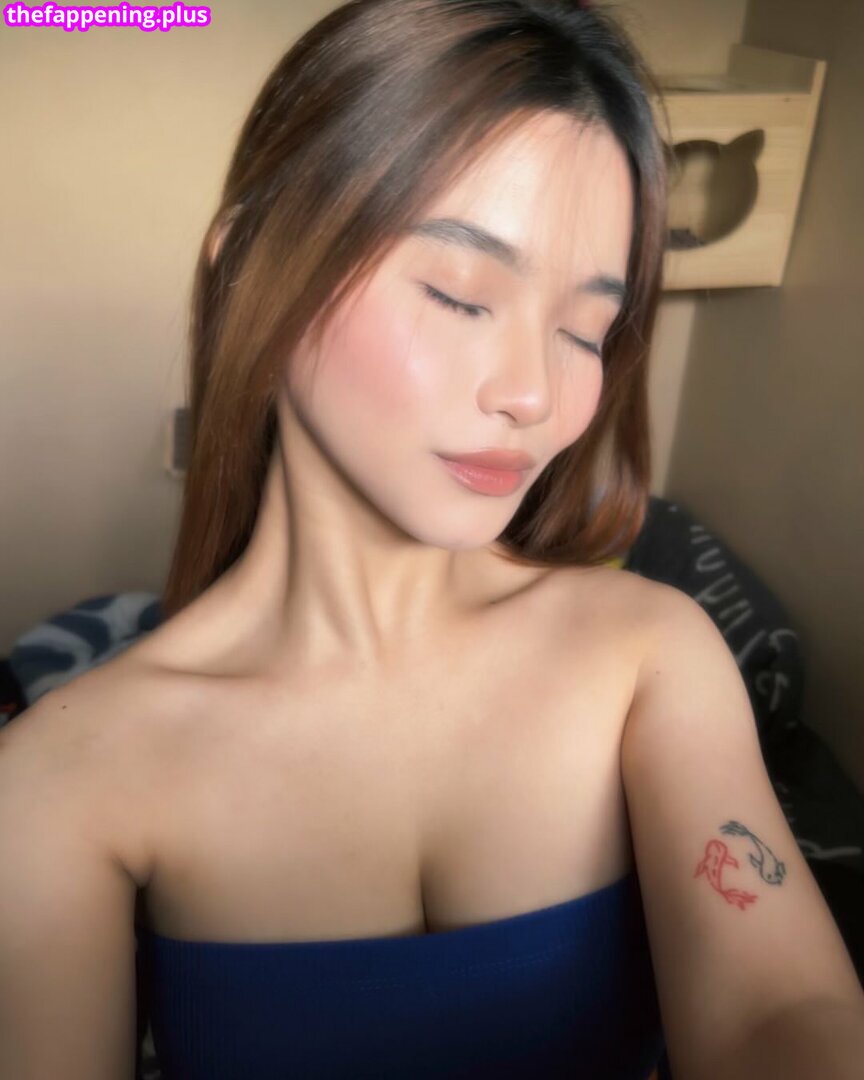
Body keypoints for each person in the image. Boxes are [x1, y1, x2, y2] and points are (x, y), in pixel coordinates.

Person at [4, 2, 863, 1079]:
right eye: (461, 296)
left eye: (585, 328)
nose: (533, 394)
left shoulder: (649, 656)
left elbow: (780, 1009)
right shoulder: (63, 781)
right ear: (248, 264)